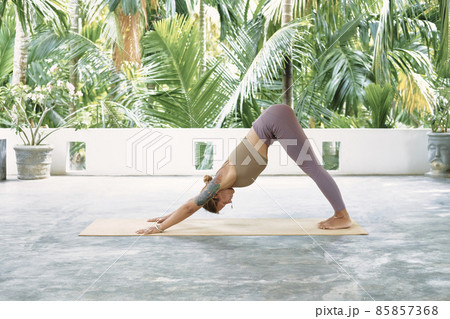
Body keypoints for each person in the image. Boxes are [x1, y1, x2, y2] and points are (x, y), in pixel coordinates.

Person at [136, 104, 352, 235]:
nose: (230, 202)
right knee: (311, 167)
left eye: (223, 204)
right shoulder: (221, 181)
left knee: (312, 168)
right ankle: (341, 214)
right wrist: (165, 217)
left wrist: (159, 228)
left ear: (215, 196)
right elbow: (194, 201)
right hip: (273, 123)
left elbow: (191, 206)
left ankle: (342, 216)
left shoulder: (220, 180)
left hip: (275, 120)